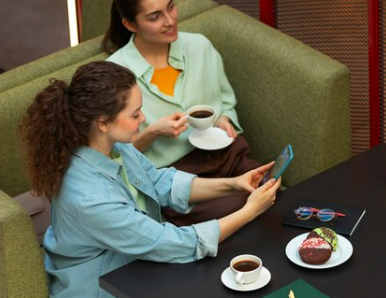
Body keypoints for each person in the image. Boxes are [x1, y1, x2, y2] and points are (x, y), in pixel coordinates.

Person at [21, 61, 280, 298]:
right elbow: (171, 243)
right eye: (135, 114)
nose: (143, 119)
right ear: (103, 122)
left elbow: (159, 182)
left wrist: (234, 184)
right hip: (102, 285)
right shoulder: (89, 198)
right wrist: (250, 211)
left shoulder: (113, 146)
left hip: (134, 261)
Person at [103, 0, 261, 225]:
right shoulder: (115, 75)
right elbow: (113, 156)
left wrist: (224, 118)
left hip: (228, 154)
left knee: (270, 188)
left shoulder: (200, 46)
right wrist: (153, 132)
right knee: (243, 207)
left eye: (171, 7)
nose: (170, 21)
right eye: (155, 17)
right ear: (131, 24)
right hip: (177, 176)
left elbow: (226, 101)